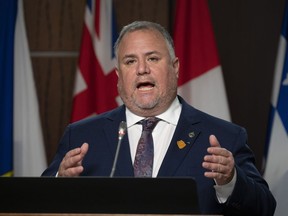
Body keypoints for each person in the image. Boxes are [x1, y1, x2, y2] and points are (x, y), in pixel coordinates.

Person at [42, 21, 276, 215]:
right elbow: (35, 204)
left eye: (152, 58)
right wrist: (59, 183)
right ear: (118, 76)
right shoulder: (81, 136)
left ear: (175, 67)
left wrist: (230, 181)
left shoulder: (225, 136)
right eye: (130, 61)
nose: (142, 69)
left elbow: (264, 208)